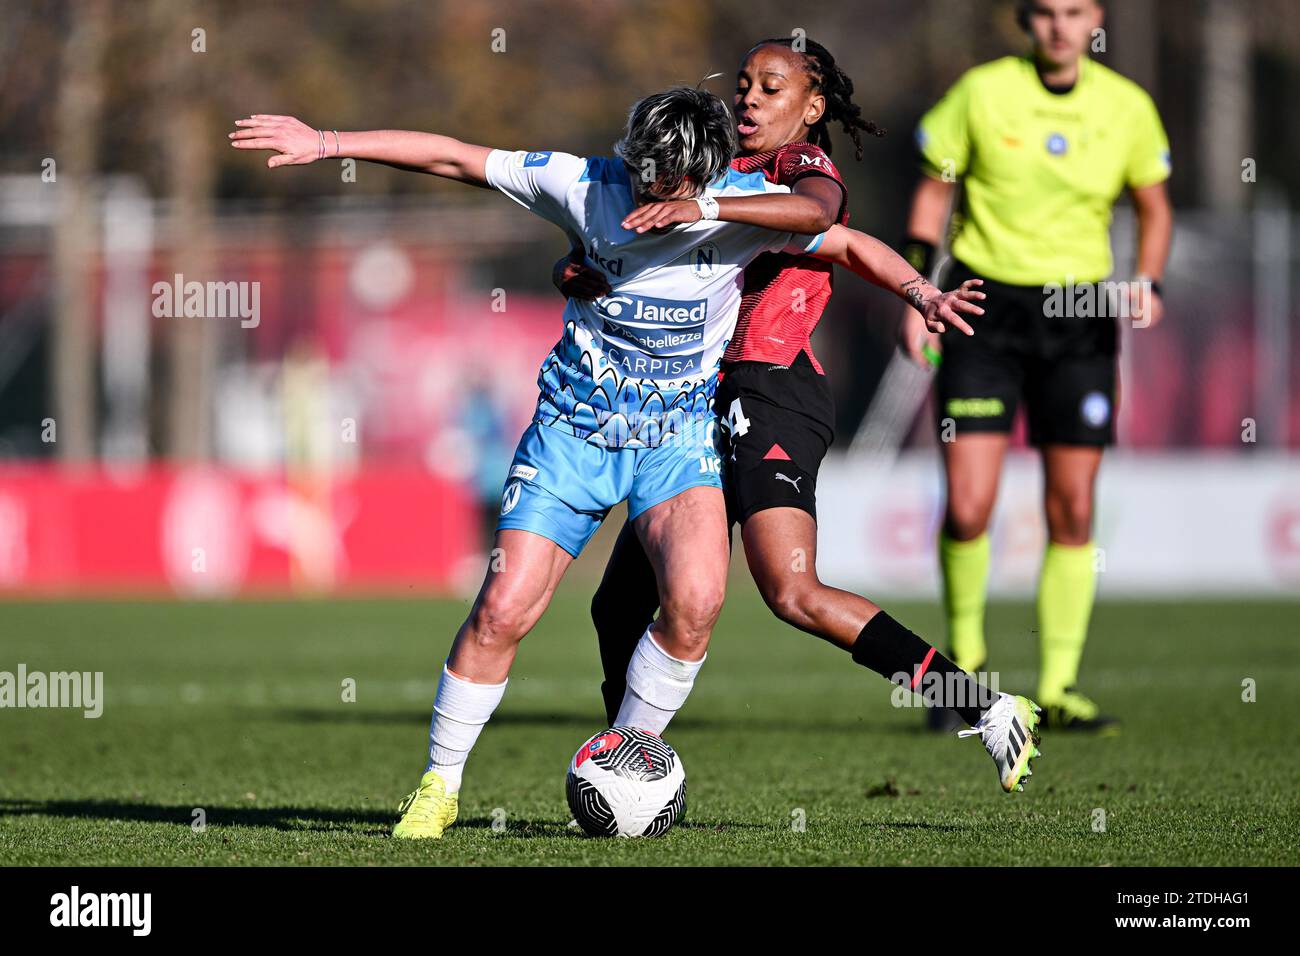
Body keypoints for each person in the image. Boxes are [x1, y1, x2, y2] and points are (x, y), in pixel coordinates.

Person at [561, 38, 1042, 790]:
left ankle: (982, 705)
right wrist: (585, 266)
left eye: (771, 88)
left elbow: (826, 221)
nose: (748, 98)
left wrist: (921, 293)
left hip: (772, 393)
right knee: (618, 600)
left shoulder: (797, 169)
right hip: (694, 402)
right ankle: (626, 760)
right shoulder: (714, 168)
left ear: (811, 108)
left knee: (792, 591)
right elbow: (626, 244)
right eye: (745, 84)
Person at [897, 0, 1173, 731]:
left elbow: (1155, 206)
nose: (1059, 26)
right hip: (985, 307)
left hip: (1081, 314)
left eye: (1074, 11)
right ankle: (964, 676)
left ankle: (1057, 689)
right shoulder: (982, 92)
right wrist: (918, 292)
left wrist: (1149, 279)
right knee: (967, 505)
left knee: (1074, 507)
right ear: (1026, 20)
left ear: (1096, 20)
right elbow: (933, 192)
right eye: (1045, 12)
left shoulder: (1127, 108)